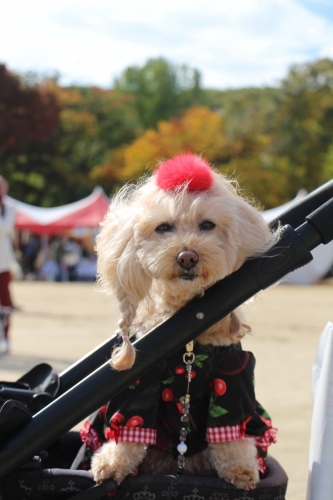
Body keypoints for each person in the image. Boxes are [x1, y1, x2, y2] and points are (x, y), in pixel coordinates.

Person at [0, 176, 17, 353]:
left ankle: (5, 337)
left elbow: (5, 228)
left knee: (5, 302)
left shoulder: (9, 208)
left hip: (3, 263)